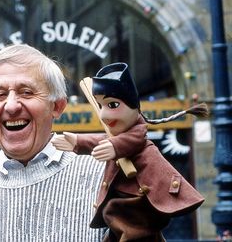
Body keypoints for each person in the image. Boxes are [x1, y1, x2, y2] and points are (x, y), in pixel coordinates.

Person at [0, 44, 106, 241]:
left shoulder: (104, 177)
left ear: (57, 106)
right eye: (0, 94)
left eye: (26, 92)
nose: (11, 106)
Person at [52, 62, 206, 241]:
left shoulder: (137, 133)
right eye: (101, 106)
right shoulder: (117, 137)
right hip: (127, 199)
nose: (104, 115)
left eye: (113, 105)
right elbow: (105, 140)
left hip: (141, 195)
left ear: (133, 106)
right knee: (118, 223)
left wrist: (115, 147)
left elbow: (133, 139)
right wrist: (78, 142)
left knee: (123, 218)